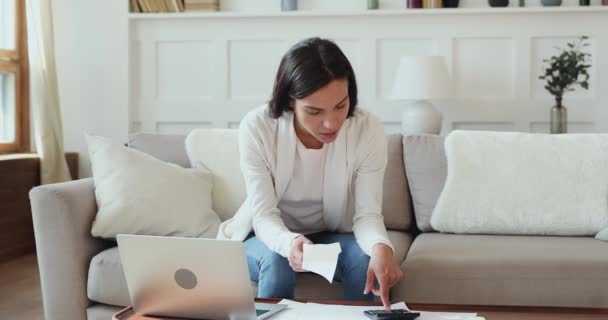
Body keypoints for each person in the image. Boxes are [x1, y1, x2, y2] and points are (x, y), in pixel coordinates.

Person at [216, 37, 402, 309]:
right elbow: (264, 216)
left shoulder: (366, 129)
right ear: (291, 101)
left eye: (341, 105)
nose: (331, 122)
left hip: (328, 234)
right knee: (278, 261)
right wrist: (289, 241)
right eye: (314, 111)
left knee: (364, 261)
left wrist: (380, 247)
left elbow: (367, 215)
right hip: (265, 237)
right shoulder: (258, 128)